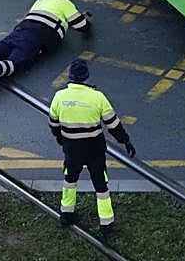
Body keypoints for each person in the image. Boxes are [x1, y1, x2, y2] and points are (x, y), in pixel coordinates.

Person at [50, 59, 134, 239]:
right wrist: (125, 141)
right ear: (86, 77)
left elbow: (53, 123)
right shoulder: (98, 97)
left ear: (70, 77)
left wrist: (61, 139)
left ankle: (66, 213)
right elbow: (113, 125)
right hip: (94, 148)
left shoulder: (59, 97)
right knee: (100, 185)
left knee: (70, 179)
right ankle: (106, 222)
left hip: (71, 148)